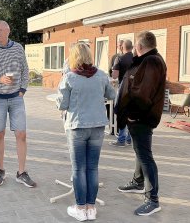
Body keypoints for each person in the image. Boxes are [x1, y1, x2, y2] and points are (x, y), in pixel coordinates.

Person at [57, 43, 116, 221]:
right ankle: (91, 207)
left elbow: (62, 104)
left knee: (78, 169)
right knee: (92, 168)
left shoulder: (69, 77)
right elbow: (112, 95)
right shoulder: (101, 75)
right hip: (97, 126)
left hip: (77, 127)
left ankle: (80, 208)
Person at [0, 20, 36, 188]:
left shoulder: (18, 48)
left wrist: (22, 90)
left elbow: (25, 70)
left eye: (0, 30)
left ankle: (21, 172)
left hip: (16, 98)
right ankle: (1, 170)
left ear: (8, 31)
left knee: (21, 134)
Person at [116, 31, 166, 216]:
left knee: (145, 155)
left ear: (139, 46)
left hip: (142, 117)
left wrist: (133, 115)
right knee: (140, 151)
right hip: (141, 116)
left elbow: (143, 93)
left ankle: (153, 200)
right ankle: (138, 182)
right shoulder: (150, 60)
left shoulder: (151, 61)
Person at [109, 39, 134, 147]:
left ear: (122, 47)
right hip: (135, 89)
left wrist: (113, 69)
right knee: (131, 113)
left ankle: (121, 139)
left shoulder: (119, 58)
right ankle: (129, 139)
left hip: (123, 89)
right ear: (132, 47)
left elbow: (114, 76)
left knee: (121, 112)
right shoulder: (137, 58)